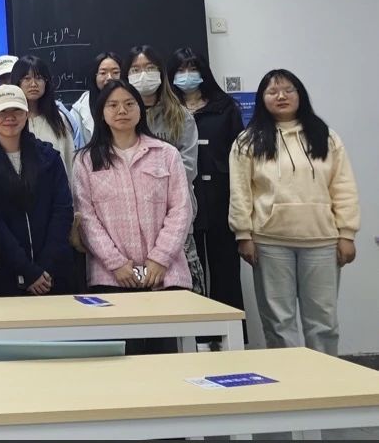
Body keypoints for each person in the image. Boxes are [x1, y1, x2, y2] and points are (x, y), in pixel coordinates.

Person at [229, 70, 358, 356]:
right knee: (278, 323)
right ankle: (289, 380)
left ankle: (324, 378)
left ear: (300, 95)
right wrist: (243, 235)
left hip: (322, 241)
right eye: (273, 91)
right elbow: (240, 192)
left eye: (288, 90)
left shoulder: (326, 137)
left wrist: (347, 234)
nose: (281, 96)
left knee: (323, 322)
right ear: (262, 99)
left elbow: (343, 187)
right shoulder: (247, 141)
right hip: (270, 242)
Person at [73, 80, 193, 353]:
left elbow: (180, 209)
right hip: (110, 276)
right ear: (101, 112)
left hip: (164, 275)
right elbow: (86, 217)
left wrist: (159, 259)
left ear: (140, 109)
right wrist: (115, 263)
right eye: (113, 105)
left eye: (129, 104)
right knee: (121, 359)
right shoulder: (86, 160)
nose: (122, 111)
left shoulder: (166, 154)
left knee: (166, 357)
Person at [167, 48, 245, 345]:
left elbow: (239, 156)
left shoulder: (225, 108)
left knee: (225, 271)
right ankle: (197, 339)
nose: (187, 75)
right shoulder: (168, 110)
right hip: (183, 199)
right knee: (191, 270)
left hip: (220, 198)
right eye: (180, 69)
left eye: (193, 68)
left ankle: (231, 340)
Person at [0, 85, 75, 298]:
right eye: (2, 112)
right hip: (5, 276)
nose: (10, 117)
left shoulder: (49, 156)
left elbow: (62, 210)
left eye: (16, 110)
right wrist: (28, 271)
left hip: (53, 273)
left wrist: (45, 268)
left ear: (26, 114)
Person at [123, 45, 205, 296]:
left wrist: (155, 183)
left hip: (175, 213)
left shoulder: (181, 116)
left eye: (150, 68)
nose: (143, 74)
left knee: (182, 289)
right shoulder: (123, 117)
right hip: (133, 217)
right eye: (135, 69)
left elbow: (188, 167)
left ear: (161, 72)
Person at [9, 55, 82, 175]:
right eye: (27, 78)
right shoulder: (10, 120)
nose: (33, 84)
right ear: (17, 82)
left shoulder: (58, 119)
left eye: (39, 78)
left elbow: (70, 163)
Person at [70, 51, 123, 143]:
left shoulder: (133, 102)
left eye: (115, 72)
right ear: (95, 76)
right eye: (103, 73)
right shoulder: (80, 109)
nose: (109, 77)